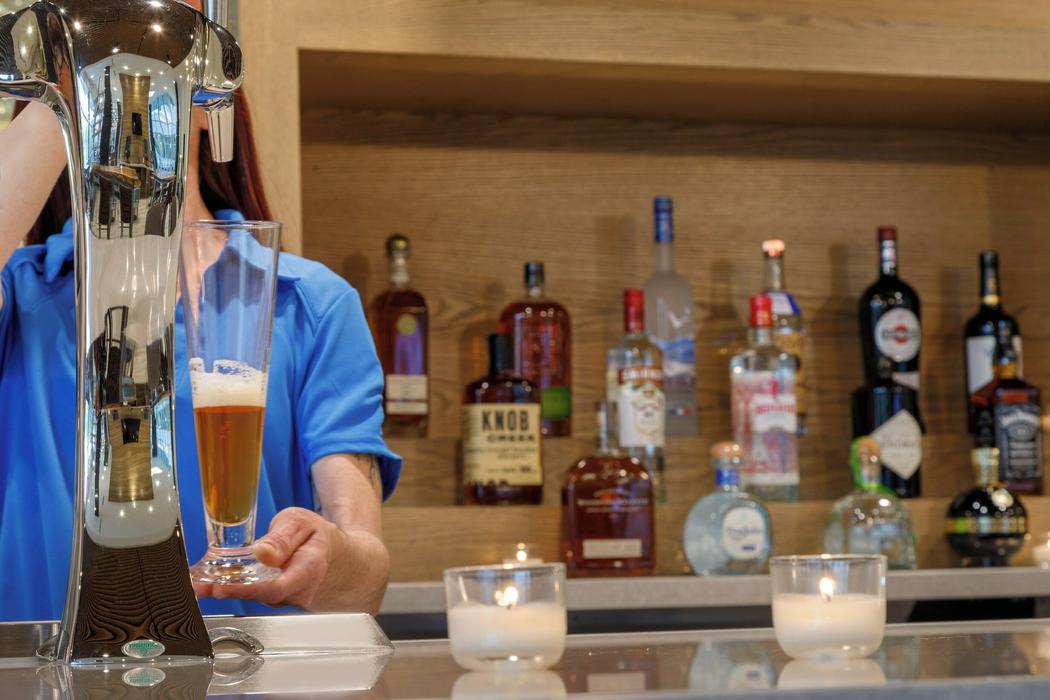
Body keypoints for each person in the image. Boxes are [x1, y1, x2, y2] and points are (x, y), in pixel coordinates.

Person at [0, 24, 401, 619]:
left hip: (252, 663)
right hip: (44, 665)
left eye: (154, 56)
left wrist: (329, 559)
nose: (128, 83)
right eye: (104, 66)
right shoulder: (20, 294)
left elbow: (364, 582)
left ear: (212, 101)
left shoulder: (310, 304)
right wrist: (66, 66)